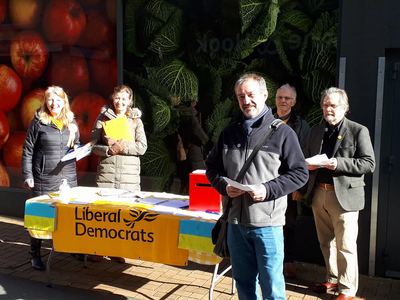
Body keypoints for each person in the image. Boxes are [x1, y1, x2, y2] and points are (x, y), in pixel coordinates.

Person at [205, 73, 309, 300]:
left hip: (267, 225)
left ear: (264, 95)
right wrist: (223, 185)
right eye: (241, 96)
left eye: (251, 94)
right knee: (243, 283)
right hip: (235, 224)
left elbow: (300, 173)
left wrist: (268, 189)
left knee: (271, 285)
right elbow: (212, 168)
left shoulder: (283, 133)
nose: (246, 100)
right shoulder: (228, 132)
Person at [303, 87, 375, 300]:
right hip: (319, 194)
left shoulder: (358, 130)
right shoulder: (317, 131)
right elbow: (307, 156)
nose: (328, 109)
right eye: (325, 105)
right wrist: (308, 166)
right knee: (326, 242)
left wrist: (338, 163)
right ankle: (332, 278)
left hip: (344, 197)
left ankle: (347, 289)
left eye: (333, 105)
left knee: (346, 246)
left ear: (344, 107)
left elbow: (369, 163)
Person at [22, 86, 80, 271]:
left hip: (68, 176)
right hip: (44, 176)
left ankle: (71, 247)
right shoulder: (38, 122)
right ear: (46, 102)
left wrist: (77, 150)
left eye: (58, 100)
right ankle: (35, 254)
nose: (54, 103)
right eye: (50, 100)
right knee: (40, 216)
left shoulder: (71, 122)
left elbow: (76, 145)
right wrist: (28, 175)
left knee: (68, 214)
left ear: (64, 101)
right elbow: (28, 150)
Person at [90, 84, 147, 263]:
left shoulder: (136, 121)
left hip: (128, 176)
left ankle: (116, 251)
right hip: (107, 173)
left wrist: (122, 146)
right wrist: (109, 149)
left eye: (123, 98)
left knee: (122, 215)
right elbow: (92, 146)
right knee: (103, 214)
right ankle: (98, 249)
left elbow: (142, 147)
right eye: (117, 98)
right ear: (112, 98)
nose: (119, 102)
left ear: (130, 101)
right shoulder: (102, 118)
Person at [273, 84, 310, 279]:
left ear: (293, 102)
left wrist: (301, 187)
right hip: (267, 181)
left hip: (289, 183)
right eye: (280, 97)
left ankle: (288, 262)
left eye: (287, 98)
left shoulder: (301, 125)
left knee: (288, 224)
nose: (283, 101)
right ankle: (272, 261)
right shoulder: (265, 120)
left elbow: (305, 157)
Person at [176, 100, 208, 194]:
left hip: (185, 152)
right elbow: (202, 137)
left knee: (185, 180)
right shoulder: (192, 118)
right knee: (198, 180)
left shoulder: (180, 116)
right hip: (194, 153)